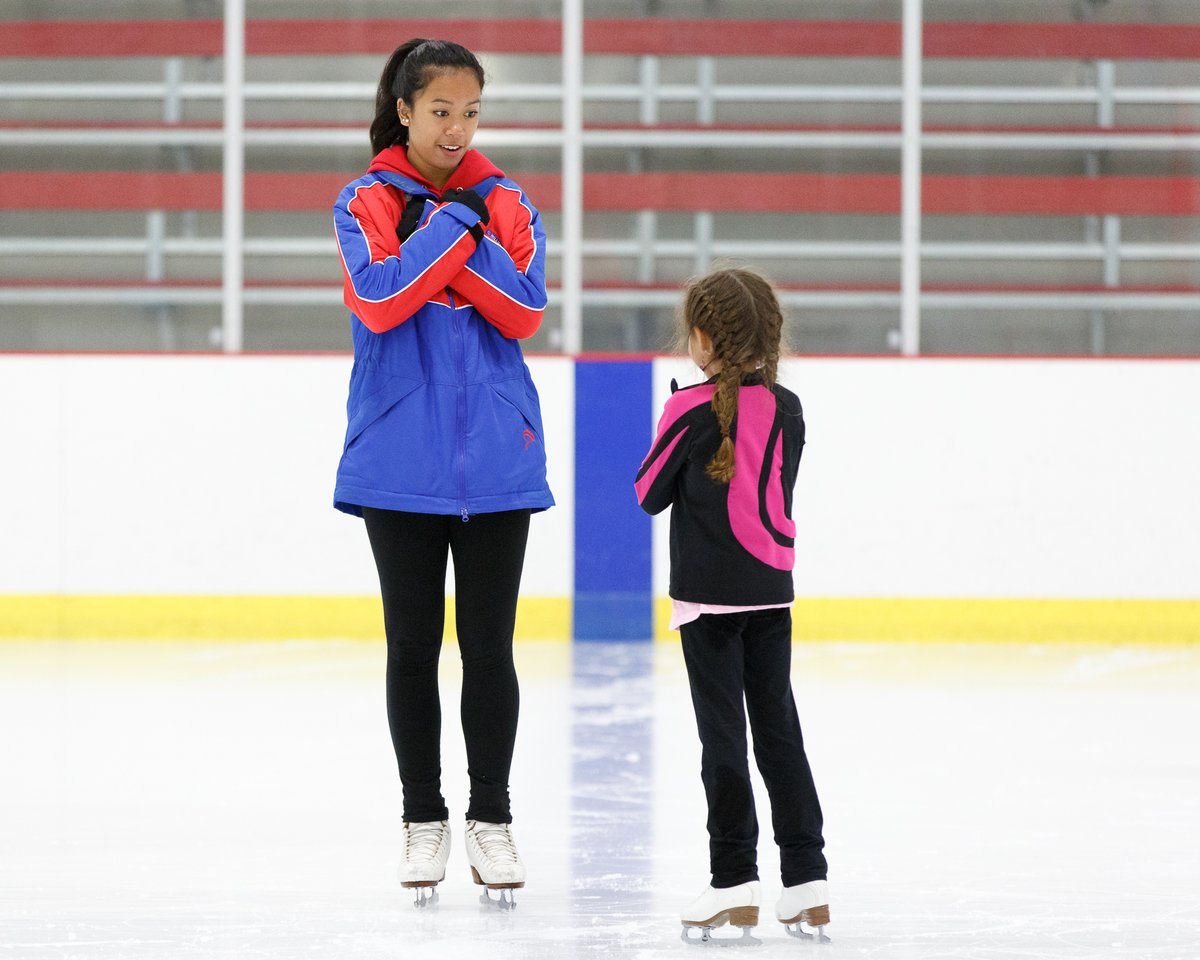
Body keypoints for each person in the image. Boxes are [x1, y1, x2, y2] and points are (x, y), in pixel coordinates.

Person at [331, 38, 553, 908]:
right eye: (440, 111)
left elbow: (524, 311)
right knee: (412, 647)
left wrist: (451, 232)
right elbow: (381, 302)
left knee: (490, 647)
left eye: (471, 112)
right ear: (404, 111)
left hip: (497, 457)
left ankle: (491, 819)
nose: (457, 128)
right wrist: (458, 231)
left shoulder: (510, 202)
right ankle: (422, 818)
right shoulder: (363, 201)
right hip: (398, 460)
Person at [634, 268, 830, 943]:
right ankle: (807, 879)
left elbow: (648, 493)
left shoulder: (687, 410)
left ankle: (733, 880)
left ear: (702, 339)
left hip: (708, 600)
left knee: (722, 738)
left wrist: (678, 416)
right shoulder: (789, 408)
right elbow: (777, 489)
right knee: (779, 732)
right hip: (770, 589)